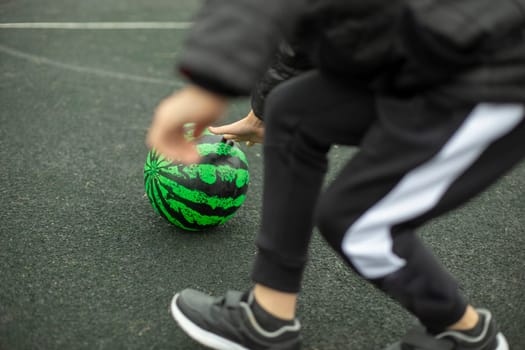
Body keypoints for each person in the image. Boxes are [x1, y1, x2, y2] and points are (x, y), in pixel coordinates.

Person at [146, 0, 525, 349]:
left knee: (355, 222)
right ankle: (268, 317)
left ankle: (467, 333)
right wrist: (263, 111)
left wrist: (209, 83)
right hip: (424, 53)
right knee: (292, 113)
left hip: (489, 74)